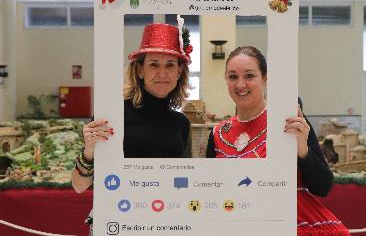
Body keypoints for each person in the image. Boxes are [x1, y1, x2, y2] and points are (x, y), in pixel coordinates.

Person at [206, 46, 350, 236]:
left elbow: (323, 187)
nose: (240, 84)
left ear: (265, 78)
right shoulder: (218, 134)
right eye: (233, 77)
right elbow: (211, 194)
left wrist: (303, 151)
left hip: (296, 226)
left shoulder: (290, 120)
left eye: (249, 76)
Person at [71, 16, 193, 234]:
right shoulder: (112, 116)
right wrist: (89, 152)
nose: (162, 73)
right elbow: (79, 186)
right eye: (154, 64)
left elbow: (180, 182)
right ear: (139, 70)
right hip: (117, 222)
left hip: (164, 223)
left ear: (179, 72)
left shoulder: (181, 123)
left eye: (170, 65)